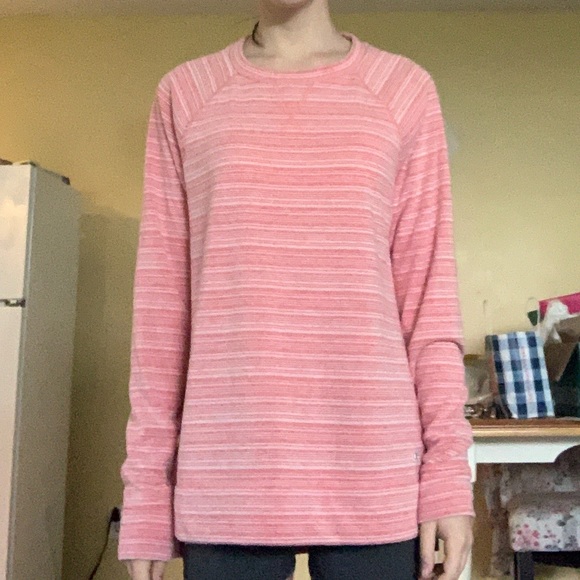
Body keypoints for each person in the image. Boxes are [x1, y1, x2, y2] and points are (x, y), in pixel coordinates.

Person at [118, 1, 475, 579]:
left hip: (376, 472)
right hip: (228, 474)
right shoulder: (186, 94)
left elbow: (428, 307)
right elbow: (162, 319)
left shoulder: (403, 90)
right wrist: (147, 497)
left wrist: (447, 478)